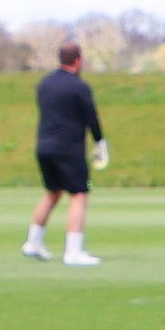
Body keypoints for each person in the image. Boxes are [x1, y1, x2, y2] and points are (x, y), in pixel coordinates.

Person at [23, 41, 106, 266]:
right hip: (67, 149)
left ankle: (33, 242)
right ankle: (73, 251)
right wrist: (100, 142)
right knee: (79, 194)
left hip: (43, 147)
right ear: (78, 60)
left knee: (53, 192)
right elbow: (91, 117)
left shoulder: (45, 83)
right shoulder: (79, 87)